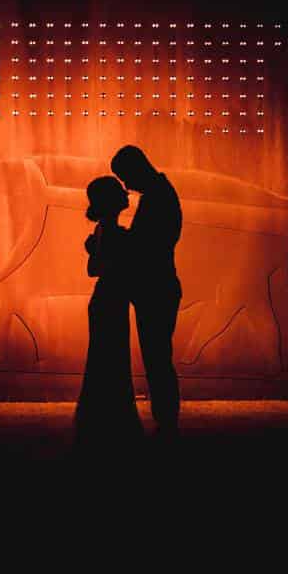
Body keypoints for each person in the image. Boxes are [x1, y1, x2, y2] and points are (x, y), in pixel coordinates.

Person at [110, 145, 183, 438]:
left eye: (125, 177)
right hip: (160, 286)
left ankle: (166, 420)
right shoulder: (160, 193)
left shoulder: (157, 198)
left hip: (156, 288)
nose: (126, 185)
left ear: (136, 169)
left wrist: (116, 239)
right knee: (158, 355)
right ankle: (166, 419)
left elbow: (146, 245)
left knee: (157, 357)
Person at [74, 176, 144, 448]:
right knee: (112, 361)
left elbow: (93, 269)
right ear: (111, 201)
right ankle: (114, 423)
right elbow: (101, 268)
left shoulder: (105, 230)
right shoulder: (115, 233)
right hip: (111, 303)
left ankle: (100, 421)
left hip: (105, 301)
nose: (126, 193)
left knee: (104, 362)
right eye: (120, 191)